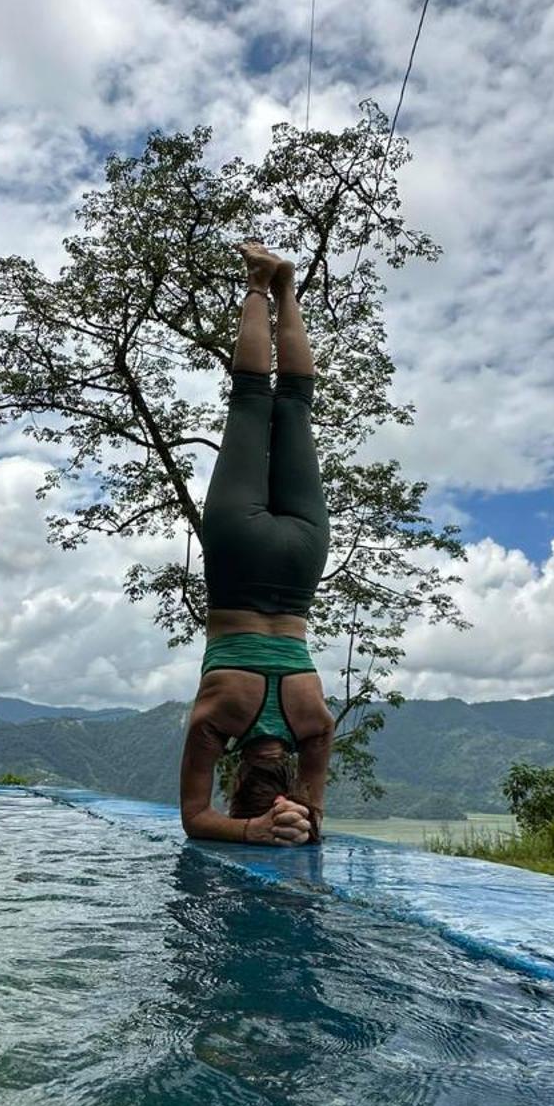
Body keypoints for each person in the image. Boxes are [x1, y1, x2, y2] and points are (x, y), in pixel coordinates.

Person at [179, 243, 335, 847]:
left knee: (296, 407)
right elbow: (196, 823)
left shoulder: (314, 725)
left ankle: (288, 287)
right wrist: (248, 831)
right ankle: (257, 283)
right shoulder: (216, 722)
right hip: (239, 560)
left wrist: (300, 818)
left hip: (299, 568)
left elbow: (314, 824)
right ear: (237, 771)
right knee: (250, 398)